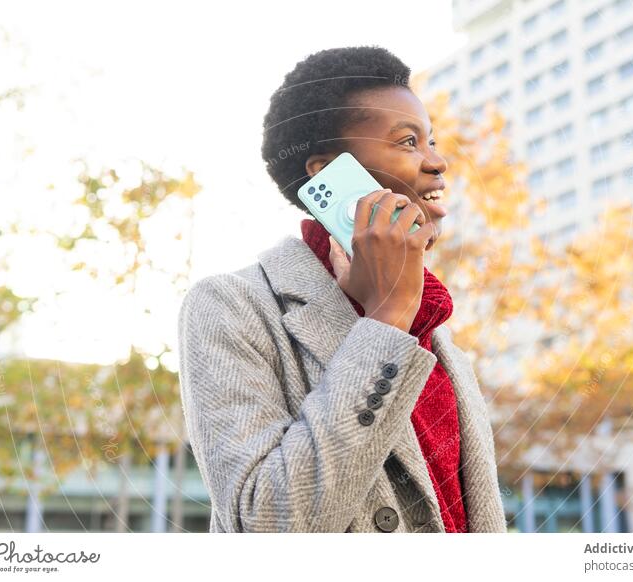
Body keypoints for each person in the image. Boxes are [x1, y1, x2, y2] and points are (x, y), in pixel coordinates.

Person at [177, 45, 507, 533]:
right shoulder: (231, 306)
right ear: (328, 173)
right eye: (407, 141)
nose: (438, 162)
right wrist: (385, 318)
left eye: (431, 141)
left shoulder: (437, 335)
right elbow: (264, 524)